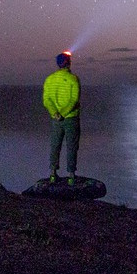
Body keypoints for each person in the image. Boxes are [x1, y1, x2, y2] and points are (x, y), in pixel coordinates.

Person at [42, 51, 81, 184]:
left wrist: (55, 113)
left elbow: (46, 100)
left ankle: (53, 174)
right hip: (71, 118)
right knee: (71, 146)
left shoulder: (49, 79)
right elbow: (74, 99)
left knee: (55, 145)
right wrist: (63, 114)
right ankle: (71, 176)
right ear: (68, 63)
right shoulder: (73, 79)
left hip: (55, 119)